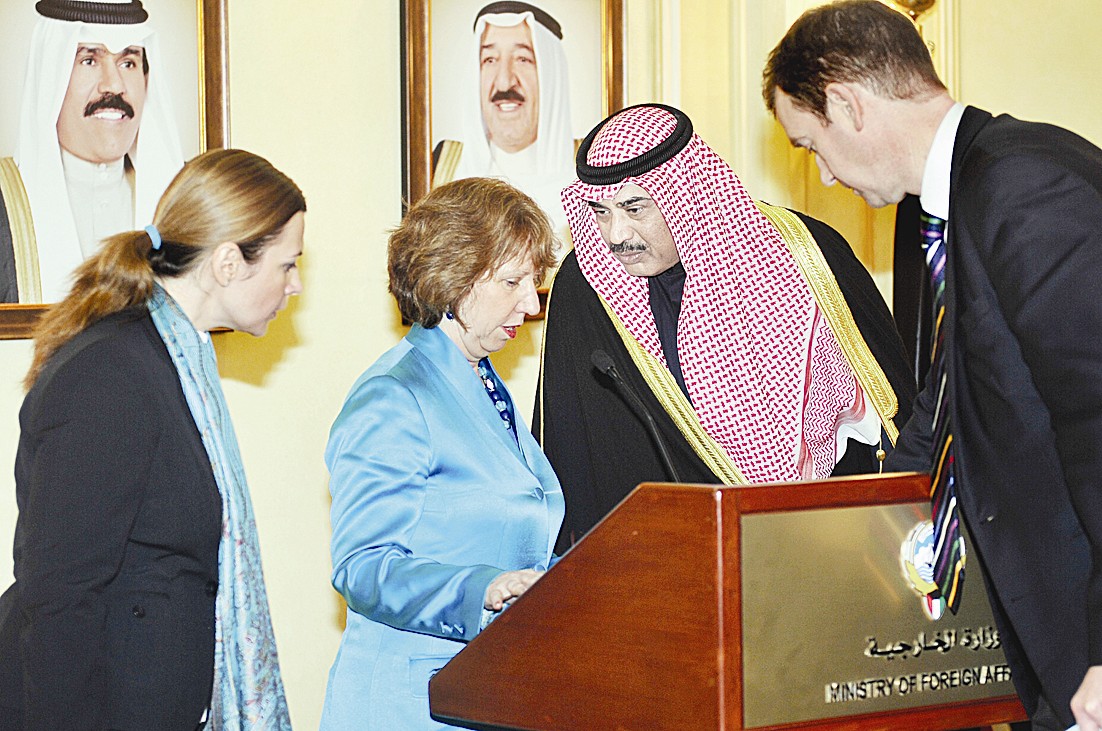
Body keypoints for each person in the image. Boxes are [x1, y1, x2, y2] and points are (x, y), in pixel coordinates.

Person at [762, 2, 1102, 729]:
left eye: (812, 146)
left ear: (848, 105)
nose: (823, 177)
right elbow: (949, 400)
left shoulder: (1024, 187)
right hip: (1054, 631)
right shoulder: (947, 205)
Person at [0, 148, 304, 730]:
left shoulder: (178, 362)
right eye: (287, 265)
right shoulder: (110, 372)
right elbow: (60, 594)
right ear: (228, 263)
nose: (295, 285)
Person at [534, 102, 916, 551]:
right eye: (601, 212)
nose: (616, 235)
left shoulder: (803, 254)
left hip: (824, 540)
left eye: (634, 208)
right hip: (663, 554)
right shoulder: (585, 288)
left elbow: (889, 413)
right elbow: (566, 449)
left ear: (685, 194)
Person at [320, 177, 564, 731]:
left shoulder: (480, 380)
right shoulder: (394, 396)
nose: (531, 303)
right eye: (512, 282)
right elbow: (364, 567)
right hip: (409, 702)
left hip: (483, 693)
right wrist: (484, 588)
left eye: (534, 282)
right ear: (454, 279)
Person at [1, 0, 184, 304]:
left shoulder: (189, 200)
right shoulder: (5, 203)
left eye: (128, 63)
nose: (113, 86)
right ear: (51, 76)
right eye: (89, 60)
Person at [432, 1, 575, 235]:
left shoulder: (591, 170)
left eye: (523, 59)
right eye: (490, 60)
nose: (504, 82)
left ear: (551, 75)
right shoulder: (441, 167)